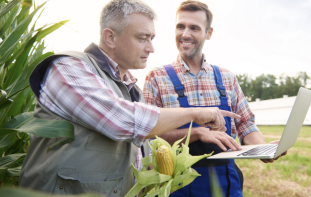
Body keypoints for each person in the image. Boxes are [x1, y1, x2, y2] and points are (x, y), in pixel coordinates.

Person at [19, 0, 240, 196]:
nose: (151, 48)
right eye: (143, 38)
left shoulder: (130, 88)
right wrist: (196, 113)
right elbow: (123, 122)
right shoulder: (68, 69)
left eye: (152, 38)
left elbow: (146, 144)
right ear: (110, 37)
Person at [143, 1, 287, 196]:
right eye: (180, 26)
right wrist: (197, 133)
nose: (185, 34)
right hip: (178, 183)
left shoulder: (227, 78)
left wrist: (261, 149)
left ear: (208, 33)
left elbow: (245, 124)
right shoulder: (157, 78)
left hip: (227, 180)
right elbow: (149, 134)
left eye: (194, 28)